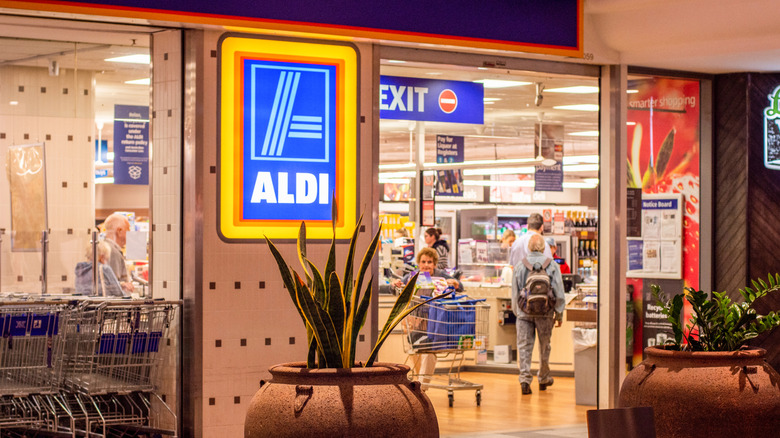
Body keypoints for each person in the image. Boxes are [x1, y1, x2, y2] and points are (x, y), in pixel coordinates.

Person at [391, 247, 462, 386]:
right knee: (414, 350)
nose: (426, 265)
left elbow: (460, 285)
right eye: (423, 261)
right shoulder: (413, 276)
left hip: (436, 322)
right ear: (419, 263)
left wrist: (454, 283)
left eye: (430, 262)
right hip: (415, 322)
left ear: (435, 264)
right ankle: (419, 382)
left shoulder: (441, 276)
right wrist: (395, 284)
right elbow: (396, 287)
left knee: (429, 352)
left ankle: (422, 387)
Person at [511, 234, 565, 395]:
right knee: (544, 347)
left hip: (524, 314)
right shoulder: (552, 265)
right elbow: (559, 293)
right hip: (545, 313)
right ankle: (543, 378)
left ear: (528, 248)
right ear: (543, 248)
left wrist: (518, 312)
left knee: (524, 347)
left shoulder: (521, 266)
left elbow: (514, 293)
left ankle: (525, 381)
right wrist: (559, 314)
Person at [103, 213, 134, 294]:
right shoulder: (113, 252)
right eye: (128, 231)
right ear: (119, 231)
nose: (129, 235)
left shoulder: (105, 247)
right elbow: (114, 285)